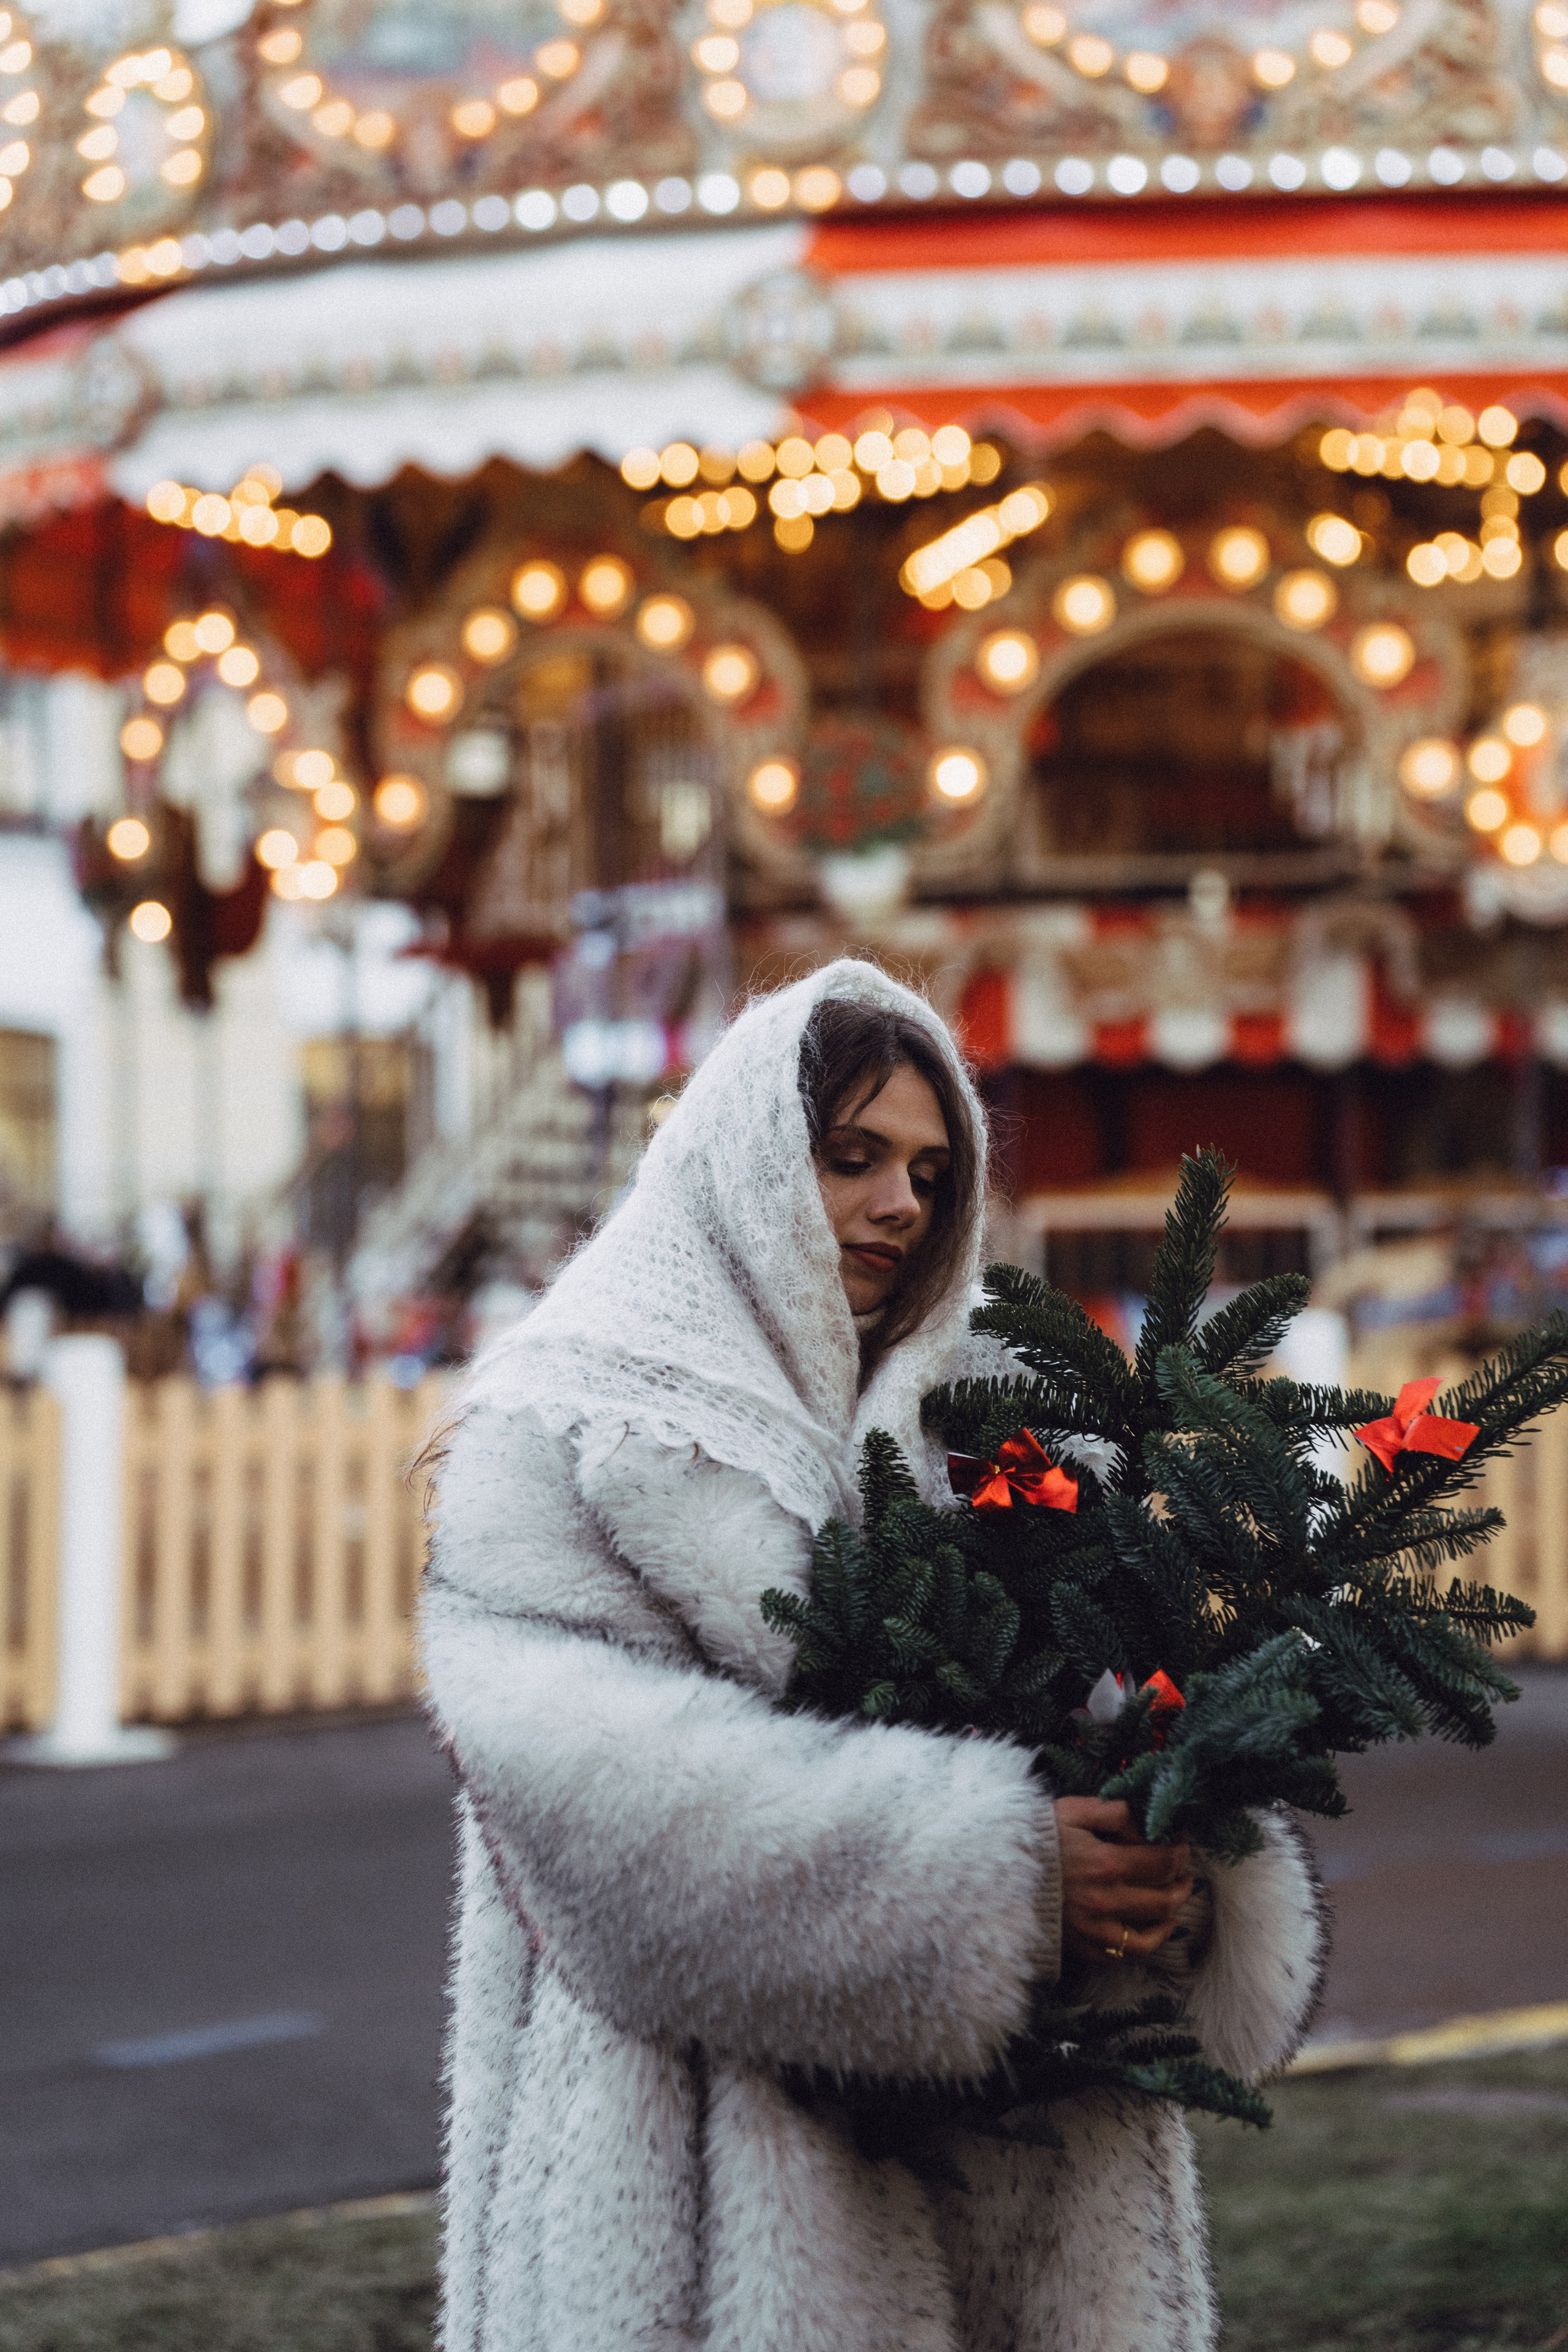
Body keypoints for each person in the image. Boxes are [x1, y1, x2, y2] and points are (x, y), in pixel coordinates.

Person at [422, 959, 1324, 2352]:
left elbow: (1124, 1677)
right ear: (744, 1163)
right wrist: (1001, 1880)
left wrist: (1170, 1848)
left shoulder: (998, 1429)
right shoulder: (562, 1431)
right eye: (850, 1158)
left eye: (924, 1168)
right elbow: (590, 1806)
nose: (899, 1204)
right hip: (700, 2184)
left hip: (1036, 2159)